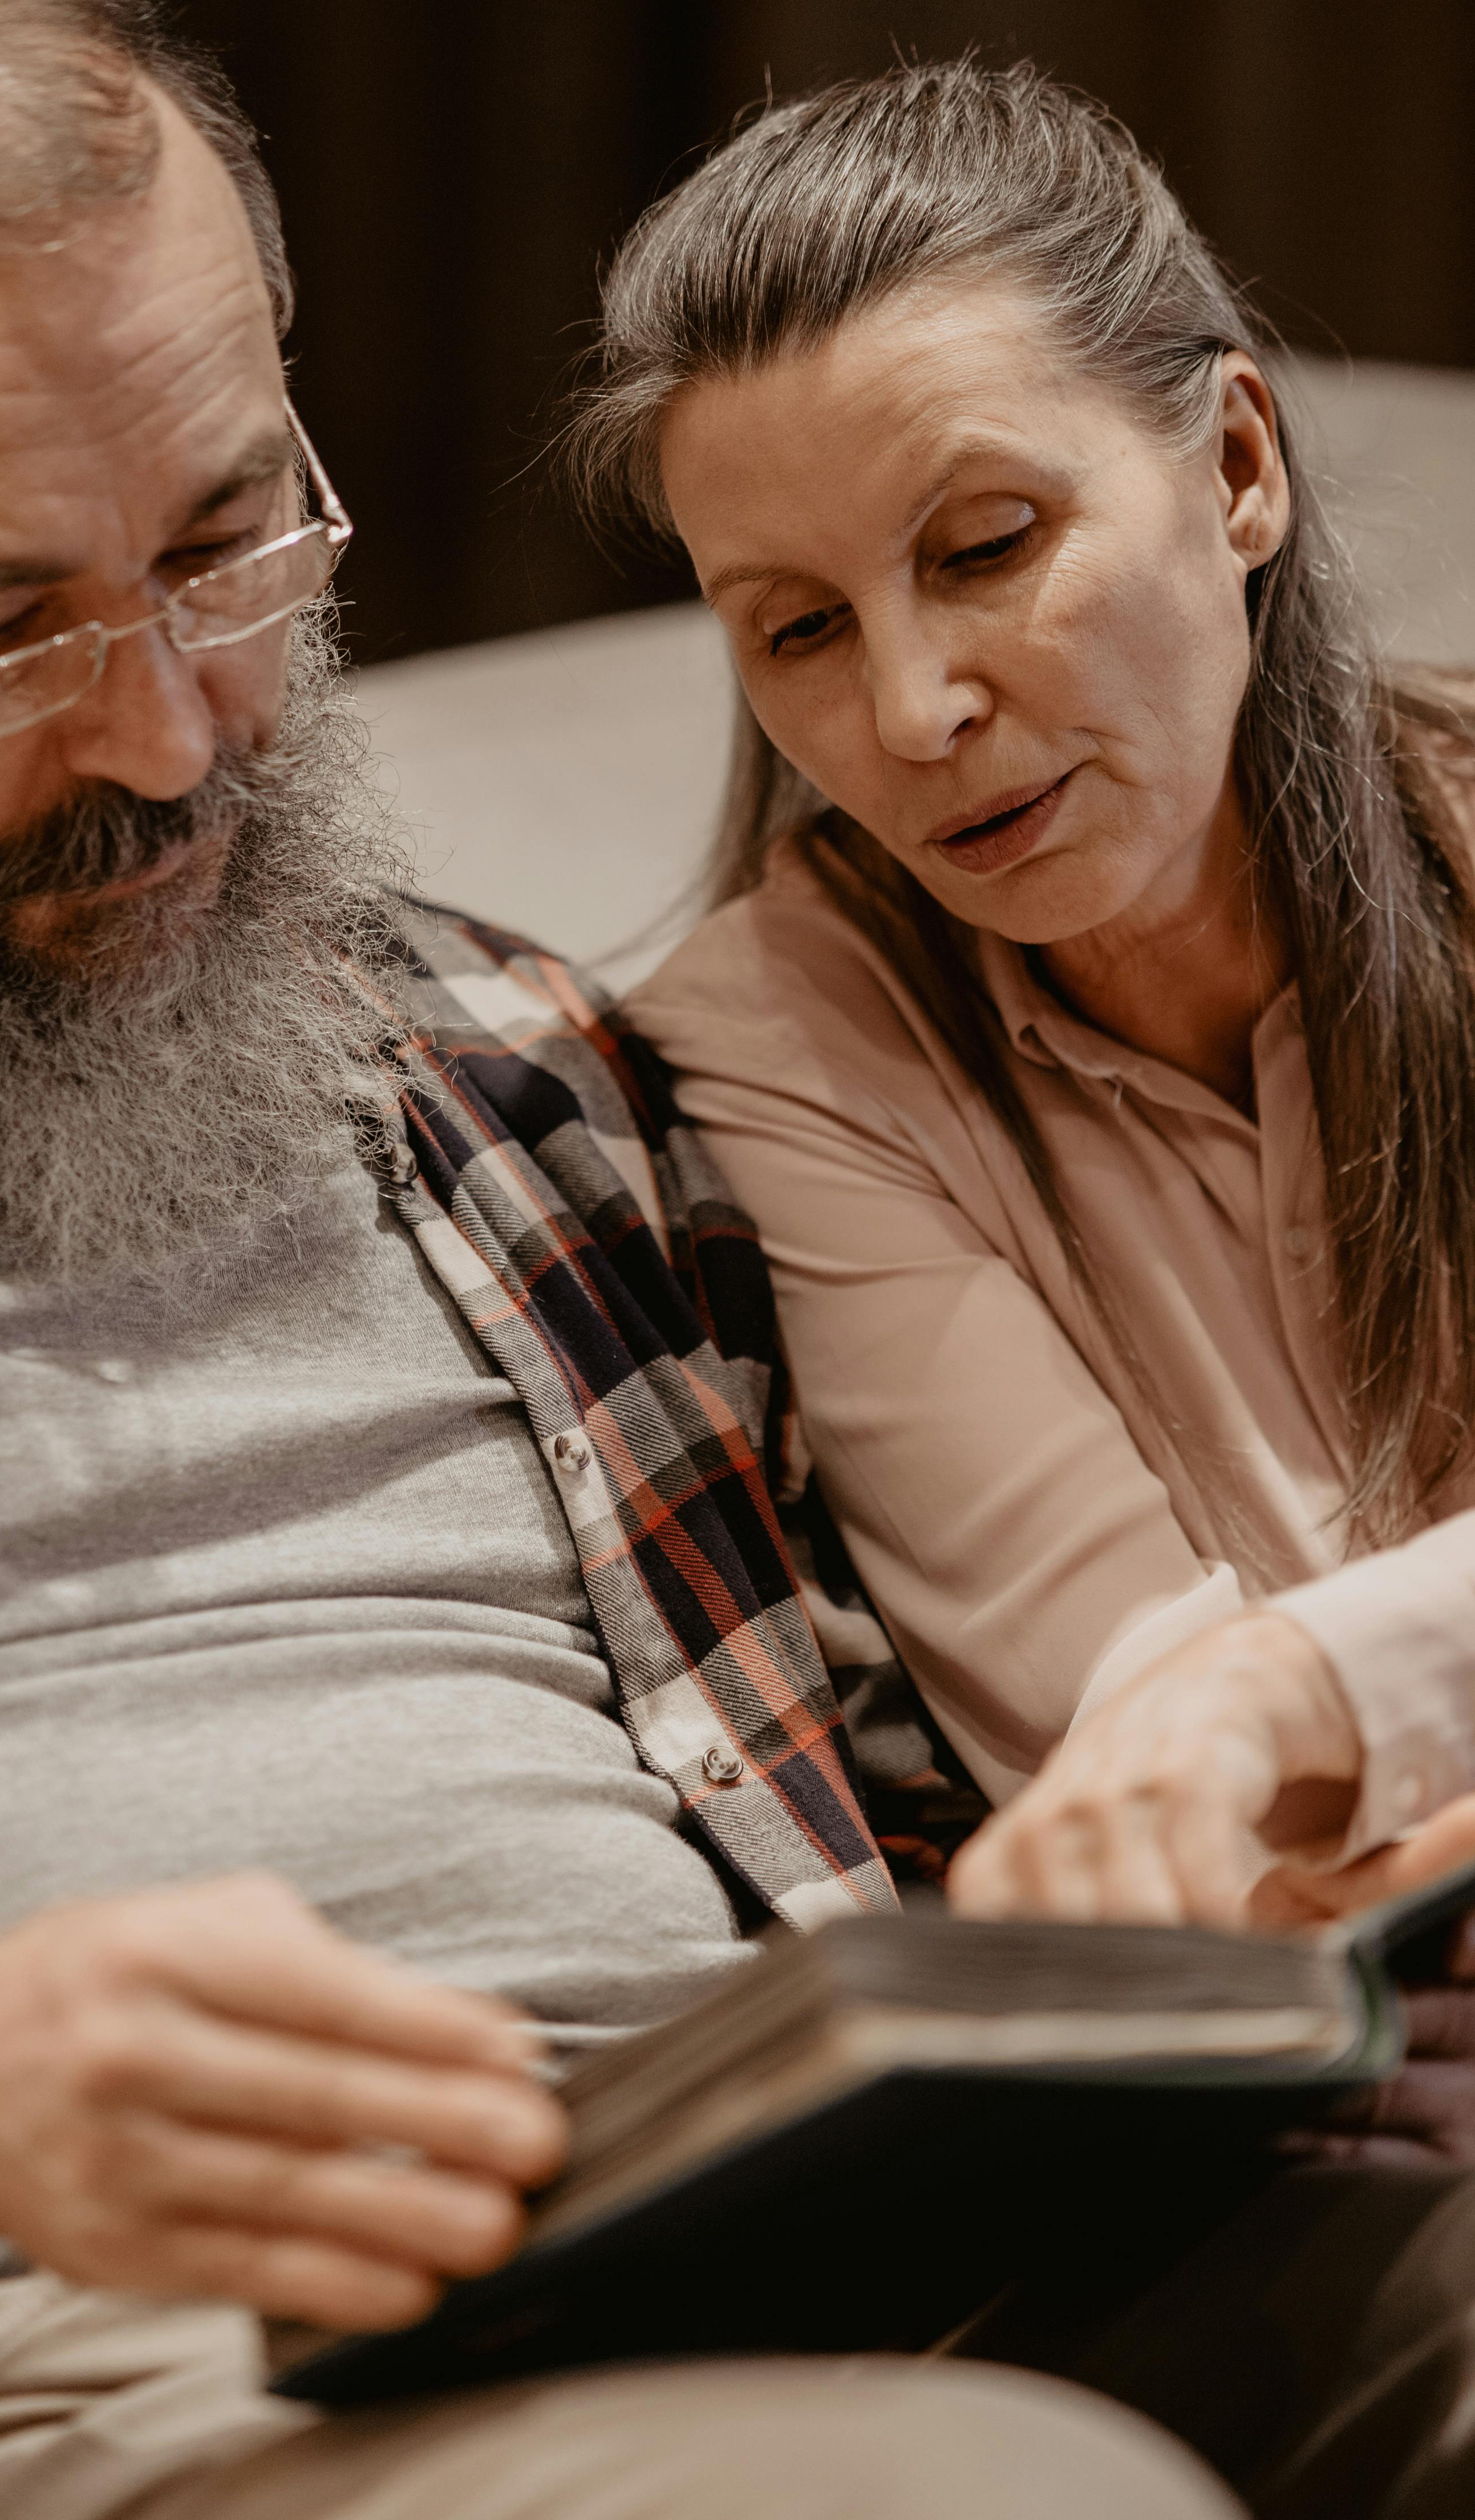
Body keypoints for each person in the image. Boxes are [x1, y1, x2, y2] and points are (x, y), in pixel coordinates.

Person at [0, 11, 1462, 2517]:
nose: (167, 734)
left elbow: (964, 1777)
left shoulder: (528, 1067)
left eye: (231, 544)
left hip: (840, 2211)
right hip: (85, 2344)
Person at [614, 59, 1475, 1933]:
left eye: (988, 545)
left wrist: (1305, 1694)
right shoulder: (772, 1054)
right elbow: (1160, 1795)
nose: (914, 712)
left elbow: (1249, 1742)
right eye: (803, 628)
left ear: (1237, 467)